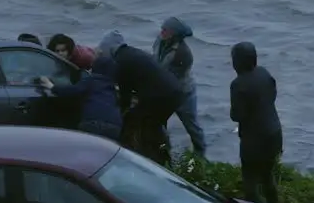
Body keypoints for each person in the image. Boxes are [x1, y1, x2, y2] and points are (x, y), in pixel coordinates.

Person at [97, 30, 186, 166]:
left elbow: (125, 92)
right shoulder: (132, 53)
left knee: (138, 122)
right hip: (175, 92)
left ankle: (148, 159)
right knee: (154, 125)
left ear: (108, 49)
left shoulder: (120, 61)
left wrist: (120, 112)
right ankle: (163, 157)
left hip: (161, 96)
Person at [230, 42, 283, 203]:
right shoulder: (264, 73)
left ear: (237, 62)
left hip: (254, 140)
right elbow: (273, 95)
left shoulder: (238, 84)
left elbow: (236, 115)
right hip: (274, 133)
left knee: (250, 182)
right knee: (267, 175)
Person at [37, 50, 122, 141]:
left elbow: (71, 91)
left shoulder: (91, 80)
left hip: (92, 123)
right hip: (114, 126)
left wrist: (51, 86)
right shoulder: (112, 86)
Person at [153, 17, 206, 158]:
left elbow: (168, 76)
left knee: (192, 125)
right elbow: (155, 60)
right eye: (162, 29)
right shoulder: (160, 40)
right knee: (158, 122)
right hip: (166, 89)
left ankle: (201, 154)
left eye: (166, 30)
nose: (162, 32)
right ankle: (163, 150)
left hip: (183, 94)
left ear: (174, 34)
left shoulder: (184, 54)